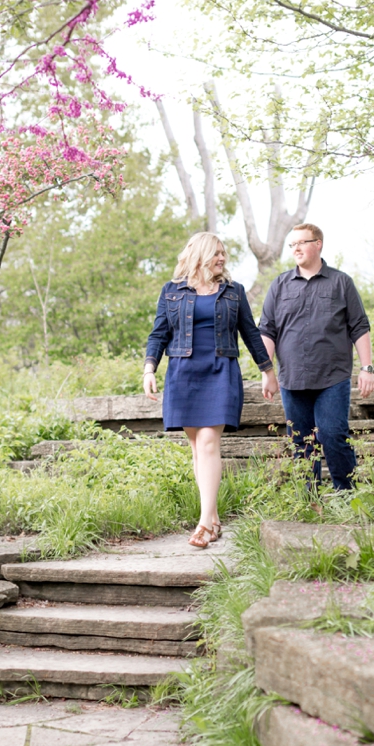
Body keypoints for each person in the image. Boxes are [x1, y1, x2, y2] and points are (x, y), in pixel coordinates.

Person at [143, 231, 277, 549]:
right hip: (183, 372)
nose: (222, 258)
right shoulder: (172, 291)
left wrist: (268, 371)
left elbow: (250, 333)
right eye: (216, 253)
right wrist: (149, 368)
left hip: (220, 370)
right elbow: (158, 333)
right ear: (200, 255)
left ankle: (204, 525)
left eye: (223, 253)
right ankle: (213, 518)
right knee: (197, 449)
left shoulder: (234, 292)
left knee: (207, 444)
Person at [257, 222, 374, 491]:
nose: (296, 248)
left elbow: (359, 327)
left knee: (333, 435)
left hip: (332, 377)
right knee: (301, 441)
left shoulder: (341, 282)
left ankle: (346, 497)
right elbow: (267, 330)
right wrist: (267, 373)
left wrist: (367, 368)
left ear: (317, 244)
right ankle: (309, 502)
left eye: (301, 242)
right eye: (292, 244)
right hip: (292, 379)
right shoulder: (280, 285)